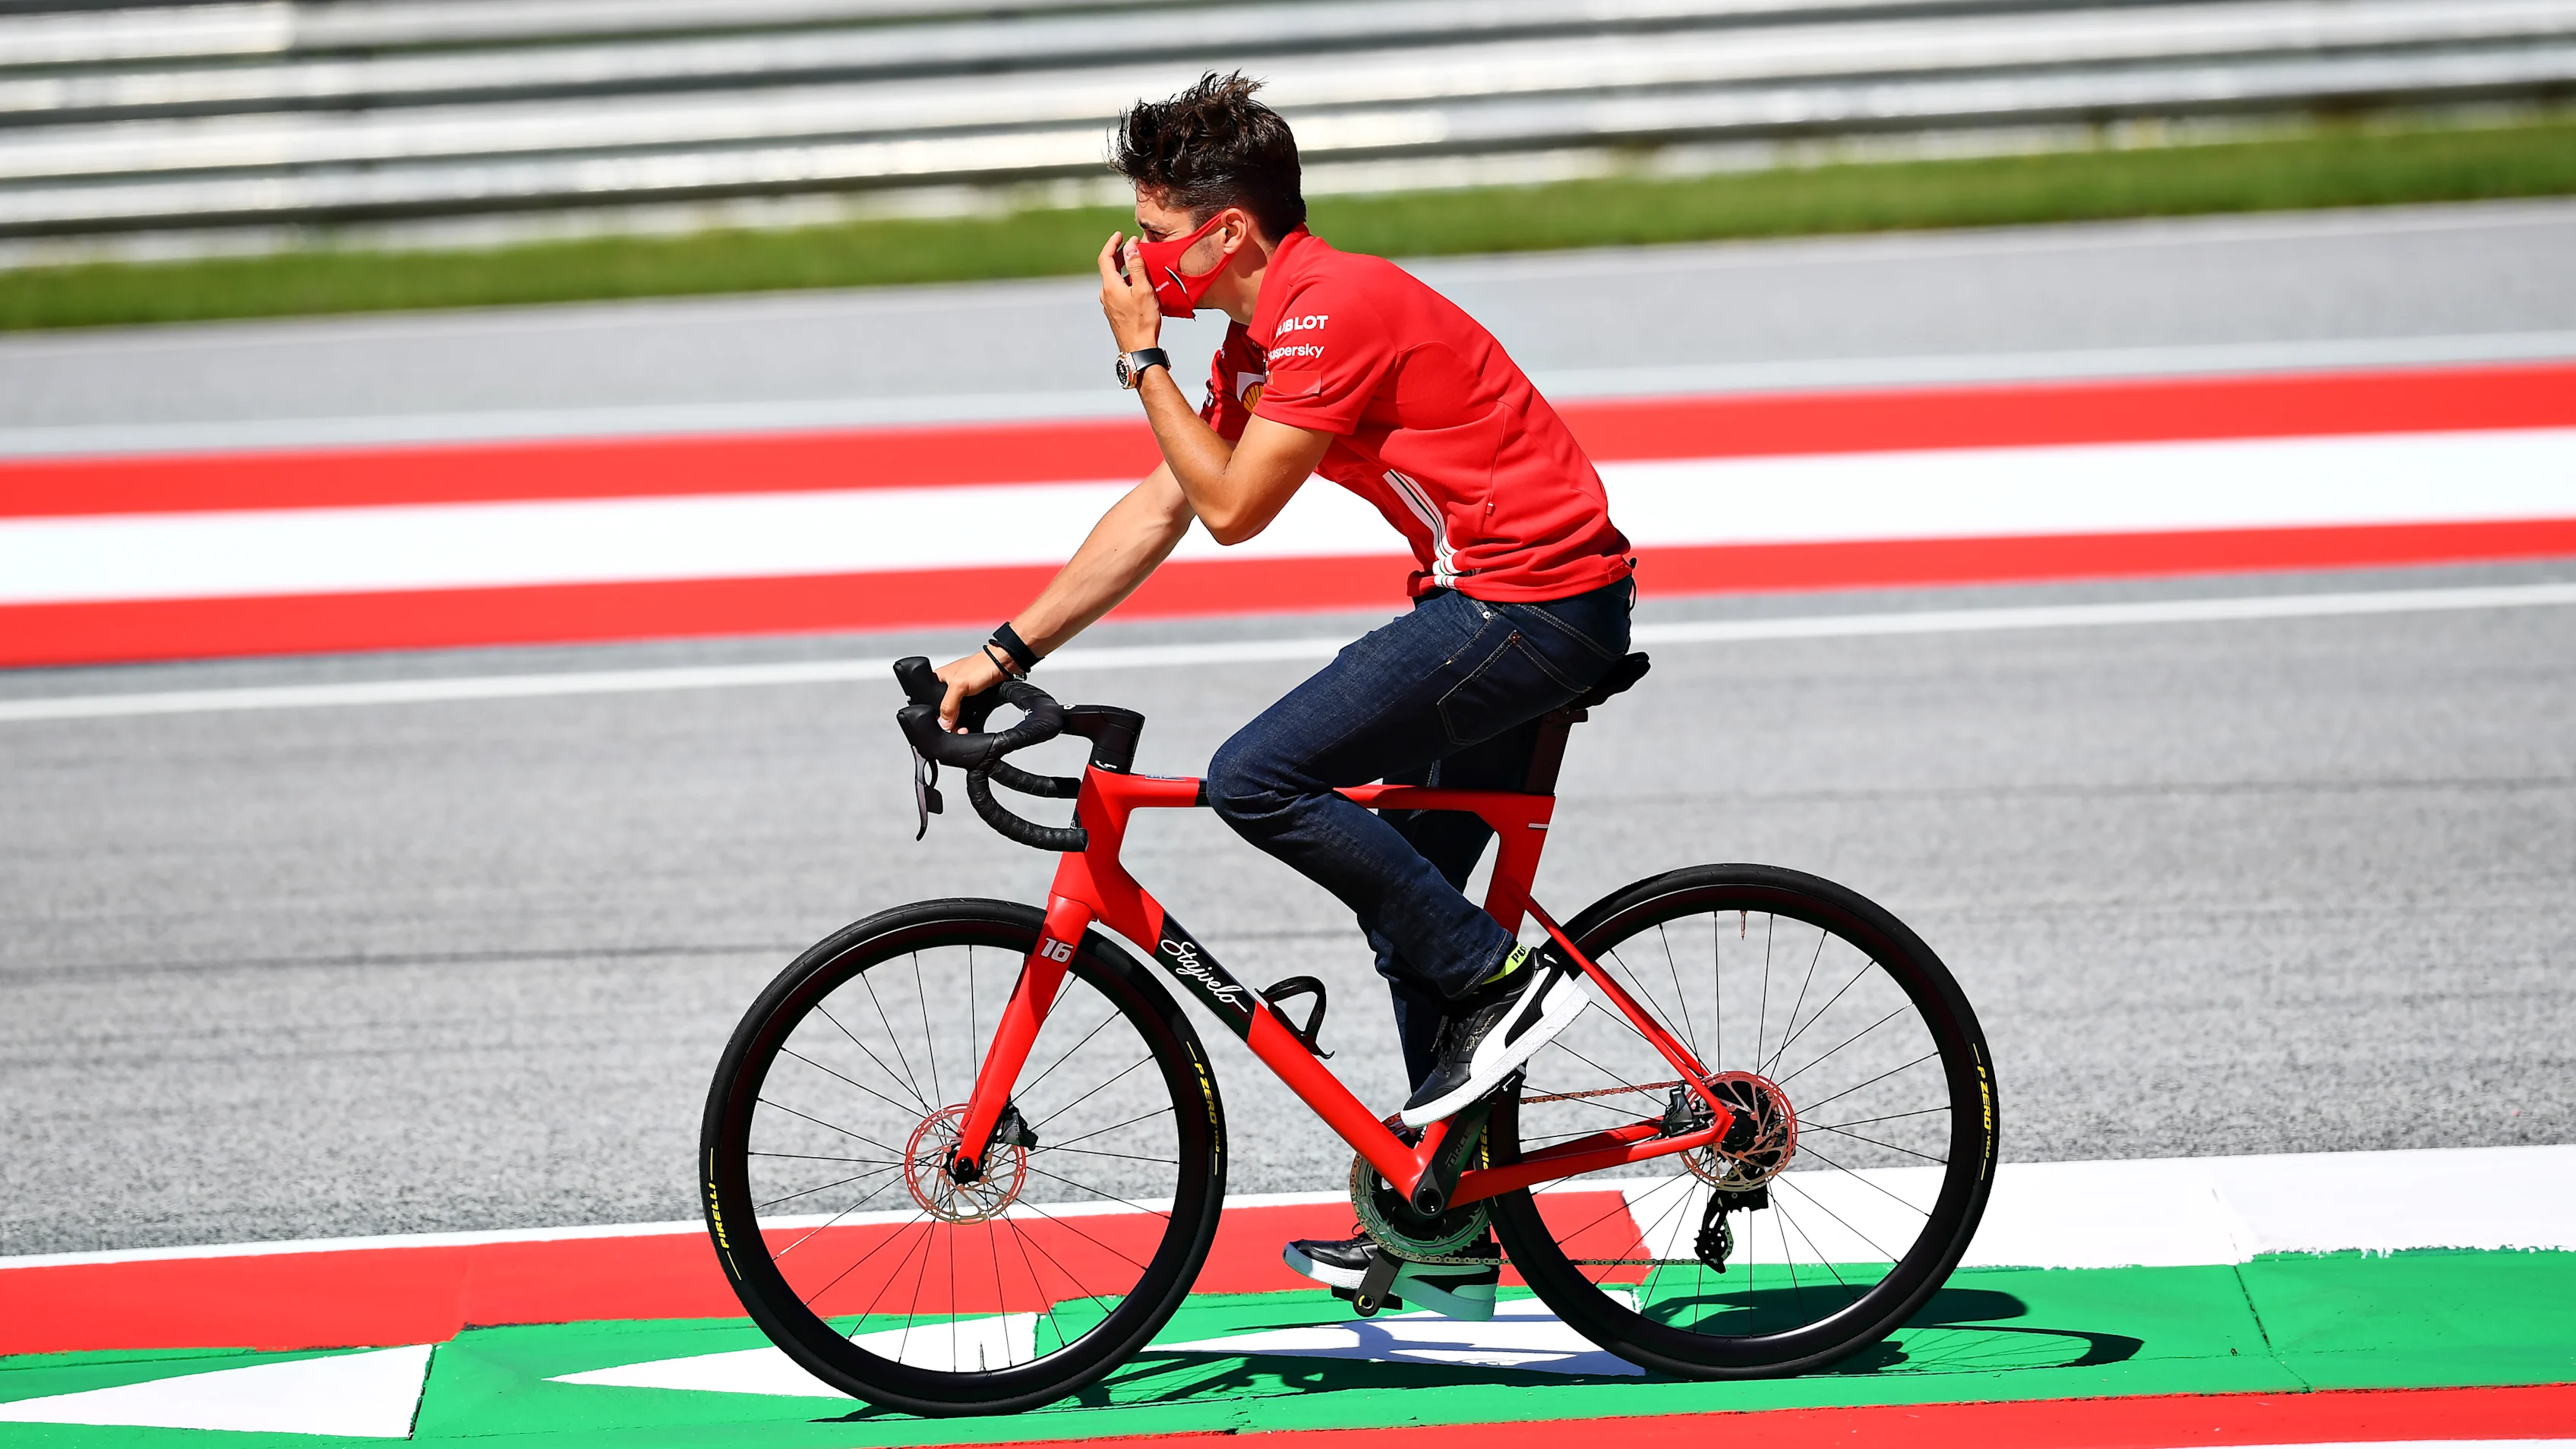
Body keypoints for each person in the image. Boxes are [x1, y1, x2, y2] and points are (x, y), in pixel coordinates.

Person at [930, 72, 1635, 1321]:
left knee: (1262, 778)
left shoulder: (1327, 307)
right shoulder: (1263, 338)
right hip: (1494, 604)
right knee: (1407, 914)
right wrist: (1006, 649)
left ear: (1230, 235)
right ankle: (1448, 1224)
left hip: (1527, 608)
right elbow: (1166, 501)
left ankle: (1503, 980)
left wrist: (1140, 356)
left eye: (1152, 239)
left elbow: (1232, 510)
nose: (1137, 265)